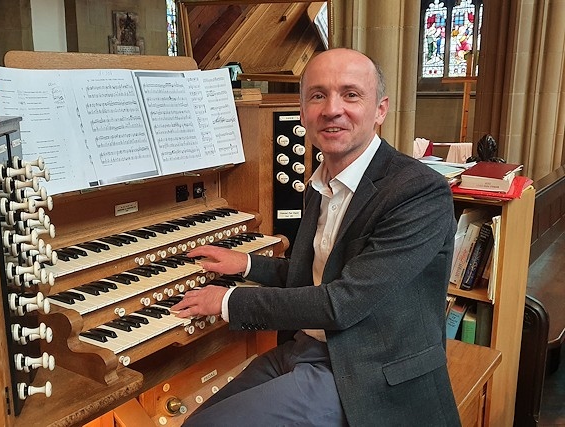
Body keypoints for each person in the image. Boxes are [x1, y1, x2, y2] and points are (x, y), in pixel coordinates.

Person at [171, 48, 461, 426]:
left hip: (369, 371)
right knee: (197, 420)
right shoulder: (320, 182)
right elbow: (318, 274)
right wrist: (246, 263)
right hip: (308, 347)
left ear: (380, 110)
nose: (331, 109)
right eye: (318, 95)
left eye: (351, 94)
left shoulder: (418, 192)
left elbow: (342, 302)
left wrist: (227, 301)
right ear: (303, 110)